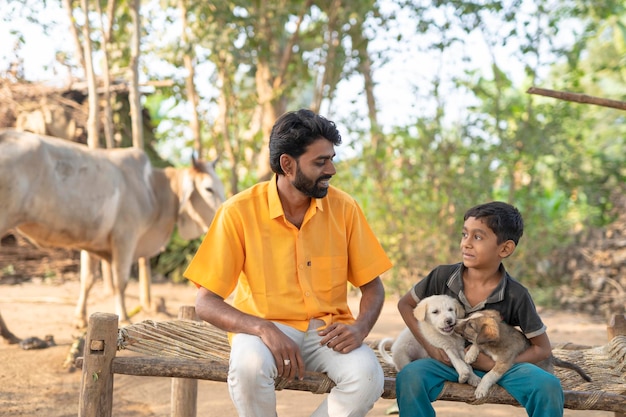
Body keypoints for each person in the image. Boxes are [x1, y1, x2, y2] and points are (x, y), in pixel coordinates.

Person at [184, 108, 393, 417]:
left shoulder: (345, 209)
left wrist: (361, 328)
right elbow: (206, 303)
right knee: (248, 369)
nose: (331, 169)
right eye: (320, 161)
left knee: (368, 378)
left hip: (328, 332)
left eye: (332, 158)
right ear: (287, 164)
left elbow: (373, 288)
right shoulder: (237, 212)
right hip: (262, 330)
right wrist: (262, 328)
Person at [395, 201, 564, 417]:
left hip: (498, 365)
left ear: (505, 248)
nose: (466, 243)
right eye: (465, 234)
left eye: (477, 237)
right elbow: (405, 304)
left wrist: (495, 363)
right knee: (410, 377)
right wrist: (431, 348)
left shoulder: (516, 294)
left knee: (547, 385)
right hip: (447, 361)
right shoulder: (442, 276)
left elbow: (542, 348)